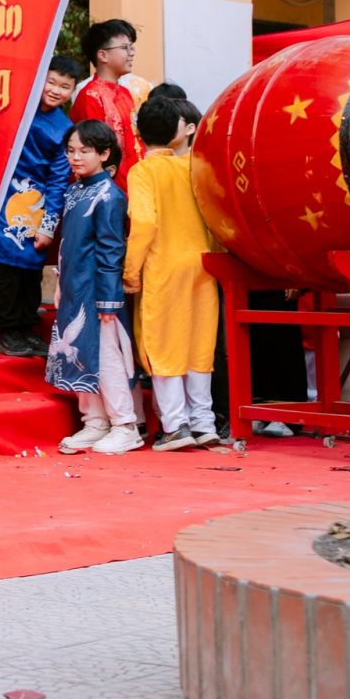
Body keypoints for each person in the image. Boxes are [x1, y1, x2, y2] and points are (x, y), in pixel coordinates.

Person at [123, 97, 221, 451]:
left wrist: (131, 271)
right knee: (198, 344)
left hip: (163, 265)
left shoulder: (143, 171)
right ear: (177, 131)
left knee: (163, 343)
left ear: (138, 133)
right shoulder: (190, 167)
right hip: (202, 263)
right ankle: (204, 422)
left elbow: (145, 224)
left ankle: (175, 425)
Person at [48, 120, 141, 455]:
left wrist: (109, 300)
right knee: (80, 355)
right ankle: (95, 422)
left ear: (104, 154)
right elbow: (67, 245)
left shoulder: (110, 196)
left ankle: (125, 425)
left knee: (106, 357)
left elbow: (111, 250)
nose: (76, 157)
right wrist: (60, 282)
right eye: (71, 151)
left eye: (85, 151)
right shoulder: (74, 190)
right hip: (73, 287)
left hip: (97, 291)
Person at [0, 57, 80, 356]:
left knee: (30, 266)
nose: (55, 90)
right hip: (0, 196)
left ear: (72, 91)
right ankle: (9, 331)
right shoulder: (13, 107)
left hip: (36, 203)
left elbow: (58, 180)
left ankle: (26, 329)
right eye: (51, 82)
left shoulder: (65, 129)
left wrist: (48, 226)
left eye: (64, 86)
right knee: (2, 262)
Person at [72, 19, 146, 193]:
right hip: (108, 191)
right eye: (125, 47)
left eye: (132, 47)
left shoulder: (126, 93)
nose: (132, 53)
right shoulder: (91, 96)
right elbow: (90, 151)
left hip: (133, 184)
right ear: (103, 55)